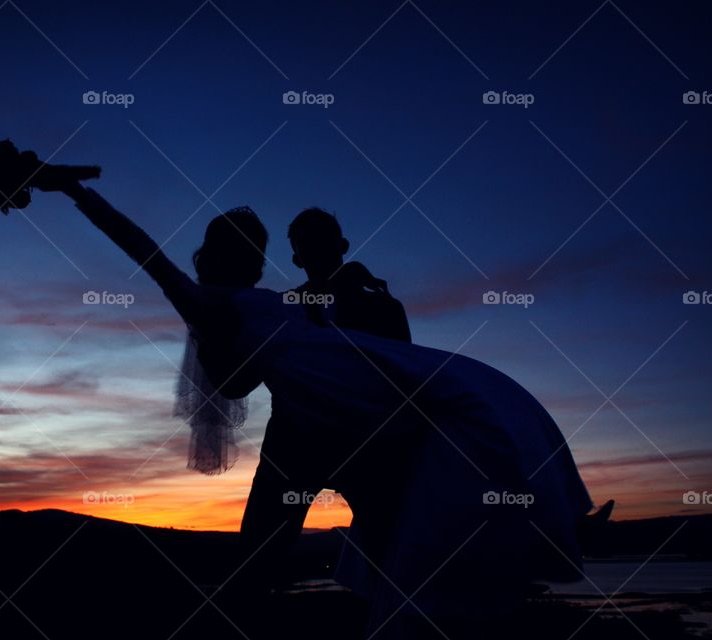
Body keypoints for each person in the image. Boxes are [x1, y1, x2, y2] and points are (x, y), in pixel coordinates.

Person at [33, 176, 593, 638]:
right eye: (249, 248)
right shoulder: (212, 301)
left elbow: (258, 366)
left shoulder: (292, 299)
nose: (258, 257)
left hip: (360, 417)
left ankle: (462, 592)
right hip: (313, 429)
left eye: (257, 250)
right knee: (273, 550)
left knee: (419, 495)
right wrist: (74, 192)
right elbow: (146, 253)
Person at [238, 207, 413, 606]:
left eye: (322, 239)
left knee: (394, 554)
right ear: (298, 257)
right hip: (293, 447)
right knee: (256, 557)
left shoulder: (384, 305)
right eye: (305, 243)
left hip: (368, 448)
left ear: (343, 246)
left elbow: (404, 377)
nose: (314, 249)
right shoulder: (281, 309)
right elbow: (245, 379)